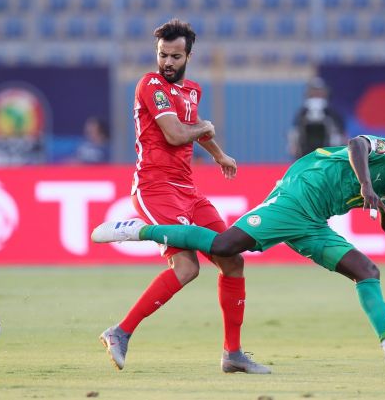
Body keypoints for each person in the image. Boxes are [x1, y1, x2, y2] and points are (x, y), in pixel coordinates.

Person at [92, 134, 385, 368]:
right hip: (296, 195)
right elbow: (355, 144)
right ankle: (138, 229)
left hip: (314, 222)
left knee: (367, 270)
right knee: (225, 247)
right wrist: (366, 184)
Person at [94, 19, 270, 374]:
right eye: (163, 55)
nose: (168, 62)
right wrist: (203, 129)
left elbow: (193, 125)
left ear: (188, 55)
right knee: (187, 267)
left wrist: (218, 154)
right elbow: (176, 134)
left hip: (187, 189)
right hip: (154, 187)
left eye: (175, 56)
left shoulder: (192, 90)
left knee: (231, 257)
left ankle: (232, 354)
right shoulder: (151, 85)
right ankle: (120, 331)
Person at [288, 76, 347, 160]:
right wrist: (293, 145)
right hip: (305, 150)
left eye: (319, 91)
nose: (316, 94)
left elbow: (341, 132)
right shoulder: (303, 112)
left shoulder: (331, 112)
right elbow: (295, 130)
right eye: (314, 91)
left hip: (327, 150)